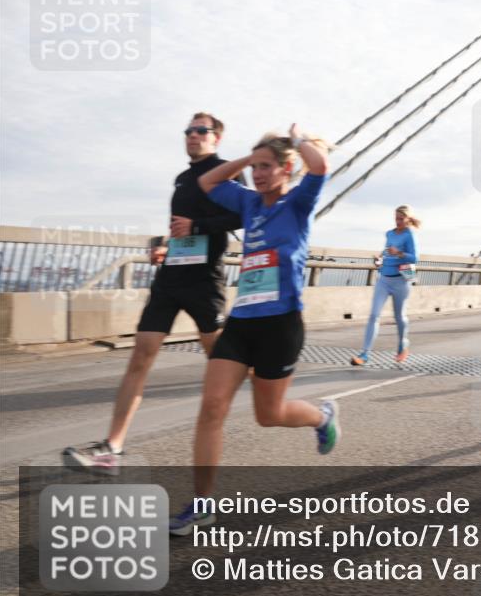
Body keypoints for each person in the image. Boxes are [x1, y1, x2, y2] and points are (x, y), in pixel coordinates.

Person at [169, 124, 338, 535]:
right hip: (241, 322)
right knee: (211, 408)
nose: (258, 174)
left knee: (270, 415)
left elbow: (321, 166)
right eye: (255, 167)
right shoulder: (248, 204)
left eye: (267, 167)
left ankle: (321, 416)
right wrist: (249, 157)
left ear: (286, 169)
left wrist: (296, 143)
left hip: (280, 325)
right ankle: (203, 505)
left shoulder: (299, 202)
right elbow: (208, 181)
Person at [62, 112, 243, 475]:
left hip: (204, 280)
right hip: (171, 277)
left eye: (201, 131)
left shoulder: (226, 171)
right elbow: (180, 229)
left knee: (223, 361)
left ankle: (273, 391)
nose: (192, 136)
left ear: (216, 138)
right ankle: (112, 448)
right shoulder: (181, 179)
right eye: (188, 130)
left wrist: (198, 226)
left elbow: (242, 217)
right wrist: (162, 246)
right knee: (141, 355)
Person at [350, 206, 420, 365]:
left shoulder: (410, 235)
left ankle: (403, 343)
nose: (398, 221)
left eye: (401, 219)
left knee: (399, 317)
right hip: (384, 279)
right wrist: (379, 259)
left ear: (408, 219)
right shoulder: (389, 233)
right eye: (396, 218)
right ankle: (364, 354)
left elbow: (415, 258)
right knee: (374, 315)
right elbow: (387, 251)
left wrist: (399, 253)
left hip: (401, 280)